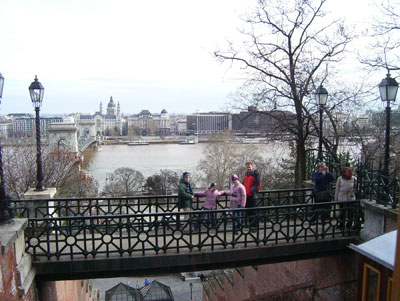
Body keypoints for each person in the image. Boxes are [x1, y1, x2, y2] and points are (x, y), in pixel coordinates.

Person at [334, 166, 357, 231]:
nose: (347, 173)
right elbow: (337, 189)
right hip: (342, 197)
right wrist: (336, 199)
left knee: (350, 213)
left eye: (348, 171)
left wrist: (353, 193)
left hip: (350, 197)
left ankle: (349, 225)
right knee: (342, 213)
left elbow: (355, 187)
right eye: (345, 172)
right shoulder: (340, 179)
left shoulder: (354, 178)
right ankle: (341, 225)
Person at [243, 162, 261, 232]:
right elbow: (243, 184)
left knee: (253, 211)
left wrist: (252, 190)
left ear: (252, 167)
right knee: (248, 211)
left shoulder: (256, 174)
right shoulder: (246, 174)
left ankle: (254, 227)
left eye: (249, 167)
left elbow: (258, 183)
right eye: (247, 167)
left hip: (253, 195)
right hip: (246, 196)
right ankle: (251, 225)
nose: (248, 168)